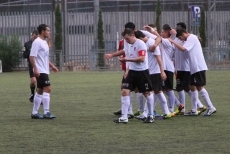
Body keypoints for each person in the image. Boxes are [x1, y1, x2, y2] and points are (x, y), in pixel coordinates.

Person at [105, 28, 154, 123]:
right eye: (125, 39)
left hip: (142, 72)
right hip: (131, 71)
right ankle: (124, 117)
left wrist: (127, 60)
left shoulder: (141, 44)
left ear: (132, 35)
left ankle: (150, 115)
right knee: (124, 91)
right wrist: (112, 55)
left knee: (147, 93)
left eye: (127, 38)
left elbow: (142, 58)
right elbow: (125, 52)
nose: (126, 41)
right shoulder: (127, 43)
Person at [169, 27, 216, 116]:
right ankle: (194, 110)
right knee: (191, 87)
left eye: (180, 38)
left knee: (200, 87)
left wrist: (173, 41)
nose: (181, 40)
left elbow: (183, 49)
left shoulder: (192, 38)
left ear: (183, 34)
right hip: (193, 68)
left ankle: (211, 107)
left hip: (198, 66)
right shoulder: (190, 39)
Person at [135, 30, 174, 120]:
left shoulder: (151, 43)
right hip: (150, 71)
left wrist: (162, 71)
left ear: (140, 38)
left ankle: (147, 113)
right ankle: (166, 112)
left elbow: (158, 57)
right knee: (158, 92)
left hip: (154, 72)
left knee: (151, 92)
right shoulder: (148, 42)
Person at [29, 24, 58, 119]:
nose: (49, 32)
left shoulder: (44, 42)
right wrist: (36, 69)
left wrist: (52, 66)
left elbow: (44, 57)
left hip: (44, 69)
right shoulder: (37, 42)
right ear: (42, 31)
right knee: (48, 89)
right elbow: (32, 56)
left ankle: (34, 113)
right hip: (40, 70)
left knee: (40, 91)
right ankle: (46, 112)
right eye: (48, 30)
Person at [160, 24, 184, 115]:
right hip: (167, 67)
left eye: (162, 32)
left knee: (168, 89)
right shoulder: (168, 41)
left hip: (167, 68)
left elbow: (155, 37)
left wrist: (150, 30)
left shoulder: (166, 41)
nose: (161, 33)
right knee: (162, 89)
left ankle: (171, 109)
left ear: (166, 33)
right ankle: (178, 104)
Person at [23, 30, 39, 103]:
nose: (35, 39)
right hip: (31, 64)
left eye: (36, 37)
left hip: (40, 64)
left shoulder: (40, 43)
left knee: (39, 81)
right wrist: (31, 51)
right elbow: (24, 55)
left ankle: (38, 97)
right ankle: (32, 93)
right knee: (33, 81)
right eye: (34, 37)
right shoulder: (27, 44)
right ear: (32, 35)